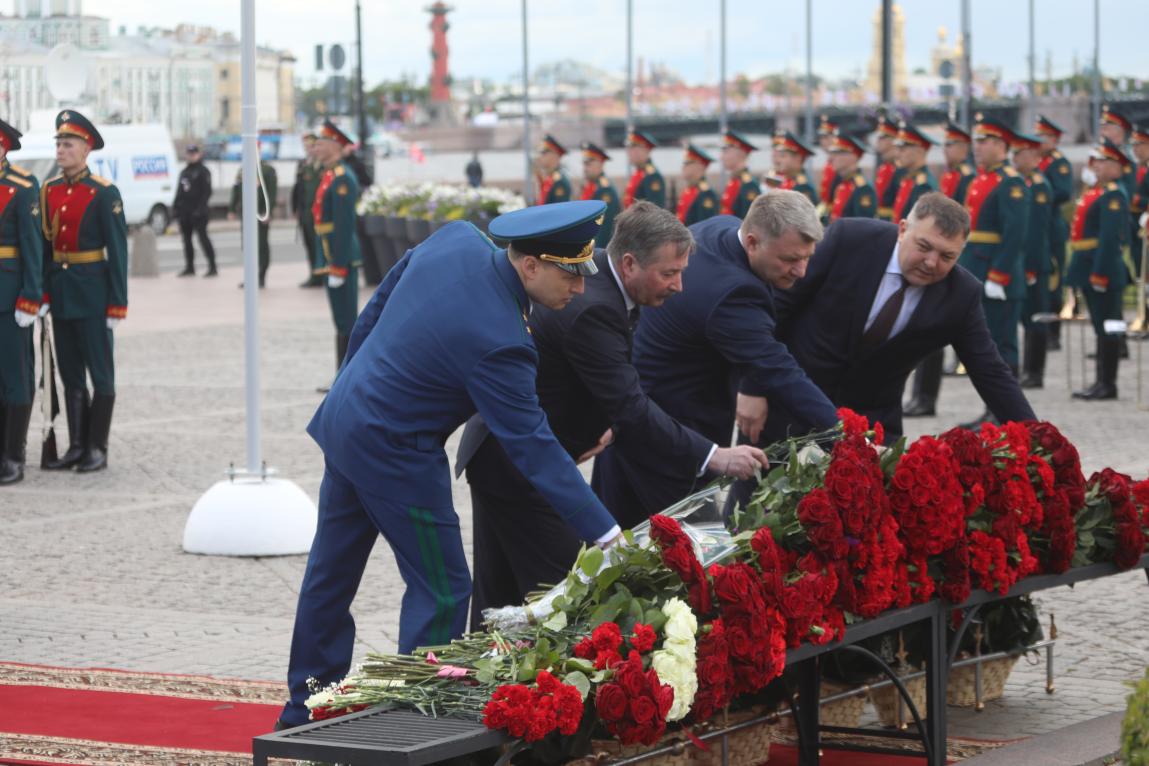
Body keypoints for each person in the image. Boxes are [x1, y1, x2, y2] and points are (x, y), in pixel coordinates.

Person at [277, 200, 623, 730]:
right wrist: (603, 530)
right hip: (396, 451)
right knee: (443, 587)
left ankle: (305, 705)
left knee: (331, 572)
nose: (579, 288)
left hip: (348, 420)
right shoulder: (501, 340)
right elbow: (532, 443)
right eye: (569, 274)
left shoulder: (457, 239)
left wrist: (355, 380)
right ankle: (414, 724)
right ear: (530, 265)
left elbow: (373, 310)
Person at [456, 202, 769, 625]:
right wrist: (715, 455)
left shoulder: (603, 277)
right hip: (519, 467)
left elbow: (610, 390)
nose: (679, 286)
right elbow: (632, 409)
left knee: (502, 599)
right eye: (669, 273)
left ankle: (482, 680)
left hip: (505, 456)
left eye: (681, 271)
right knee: (568, 602)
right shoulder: (596, 306)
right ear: (629, 263)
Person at [591, 191, 839, 521]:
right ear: (753, 242)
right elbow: (779, 371)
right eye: (791, 259)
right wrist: (845, 436)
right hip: (672, 437)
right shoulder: (733, 293)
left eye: (807, 257)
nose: (801, 271)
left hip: (633, 416)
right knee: (688, 556)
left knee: (611, 542)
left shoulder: (722, 227)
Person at [768, 192, 1035, 443]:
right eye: (924, 246)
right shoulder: (849, 239)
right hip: (791, 403)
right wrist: (755, 387)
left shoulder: (961, 295)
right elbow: (780, 308)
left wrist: (1040, 440)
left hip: (871, 425)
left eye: (947, 256)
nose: (931, 262)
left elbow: (990, 371)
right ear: (903, 229)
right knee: (753, 491)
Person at [40, 109, 128, 473]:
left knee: (101, 374)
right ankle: (77, 445)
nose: (61, 149)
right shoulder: (50, 190)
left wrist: (117, 303)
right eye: (59, 143)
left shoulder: (104, 193)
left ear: (86, 148)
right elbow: (45, 249)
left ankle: (98, 447)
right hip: (61, 294)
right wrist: (43, 294)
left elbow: (119, 252)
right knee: (71, 373)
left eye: (68, 143)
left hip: (93, 294)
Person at [956, 114, 1029, 427]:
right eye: (977, 141)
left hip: (998, 274)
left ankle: (1006, 414)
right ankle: (992, 411)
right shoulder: (981, 179)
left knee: (1001, 344)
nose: (977, 147)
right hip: (978, 269)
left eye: (984, 142)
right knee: (988, 347)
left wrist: (999, 274)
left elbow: (1015, 233)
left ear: (1001, 145)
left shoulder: (1011, 182)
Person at [904, 121, 976, 417]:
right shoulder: (919, 179)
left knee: (929, 329)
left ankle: (926, 396)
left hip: (936, 255)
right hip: (916, 254)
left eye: (905, 146)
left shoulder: (926, 184)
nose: (900, 152)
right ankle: (920, 395)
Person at [1066, 138, 1132, 401]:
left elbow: (1109, 238)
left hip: (1103, 268)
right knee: (1100, 327)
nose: (1099, 165)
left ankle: (1108, 383)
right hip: (1088, 264)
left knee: (1109, 326)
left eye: (1105, 161)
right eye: (1098, 160)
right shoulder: (1098, 192)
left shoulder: (1114, 195)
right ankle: (1101, 381)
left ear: (1117, 166)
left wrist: (1100, 272)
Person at [0, 119, 42, 485]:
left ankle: (14, 454)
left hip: (9, 296)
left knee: (15, 376)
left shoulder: (22, 187)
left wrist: (31, 297)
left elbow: (33, 247)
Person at [311, 120, 362, 376]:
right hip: (332, 255)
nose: (315, 149)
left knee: (347, 322)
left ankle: (347, 377)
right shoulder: (330, 175)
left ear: (334, 145)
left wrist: (339, 265)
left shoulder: (343, 179)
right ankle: (341, 376)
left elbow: (343, 225)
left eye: (320, 144)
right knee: (341, 321)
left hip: (340, 258)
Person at [1011, 132, 1055, 389]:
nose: (1015, 158)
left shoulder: (1039, 185)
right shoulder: (1023, 183)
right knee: (1027, 318)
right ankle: (1027, 370)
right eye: (1014, 153)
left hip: (1035, 262)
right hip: (1025, 260)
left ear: (1035, 157)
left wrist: (1029, 266)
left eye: (1021, 153)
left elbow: (1037, 231)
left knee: (1036, 318)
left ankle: (1035, 371)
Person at [1034, 115, 1074, 350]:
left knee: (1053, 280)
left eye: (1043, 137)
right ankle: (1043, 327)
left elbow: (1063, 192)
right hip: (1039, 226)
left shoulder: (1059, 163)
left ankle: (1054, 333)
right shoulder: (1039, 162)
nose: (1039, 141)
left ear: (1054, 140)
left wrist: (1041, 193)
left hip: (1052, 227)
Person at [229, 145, 277, 288]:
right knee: (247, 245)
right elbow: (236, 190)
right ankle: (250, 276)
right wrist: (232, 208)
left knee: (261, 245)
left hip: (260, 214)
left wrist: (267, 211)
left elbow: (272, 193)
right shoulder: (242, 170)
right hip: (246, 214)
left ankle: (261, 276)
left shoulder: (267, 170)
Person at [173, 144, 217, 278]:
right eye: (189, 154)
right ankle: (190, 267)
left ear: (199, 154)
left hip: (199, 213)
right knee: (186, 241)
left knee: (203, 238)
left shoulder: (203, 171)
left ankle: (212, 266)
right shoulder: (184, 172)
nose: (191, 156)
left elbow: (207, 192)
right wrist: (176, 207)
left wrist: (200, 209)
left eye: (194, 154)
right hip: (185, 212)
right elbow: (180, 191)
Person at [291, 133, 324, 287]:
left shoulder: (322, 165)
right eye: (306, 147)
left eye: (311, 146)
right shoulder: (303, 165)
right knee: (309, 244)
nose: (308, 150)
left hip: (318, 212)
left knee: (320, 244)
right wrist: (295, 207)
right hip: (305, 212)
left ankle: (321, 274)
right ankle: (313, 273)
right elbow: (298, 188)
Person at [825, 131, 877, 223]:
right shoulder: (842, 184)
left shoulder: (863, 188)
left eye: (837, 153)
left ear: (853, 156)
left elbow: (862, 226)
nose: (831, 158)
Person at [890, 122, 937, 224]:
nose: (897, 154)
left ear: (919, 150)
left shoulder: (923, 185)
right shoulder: (909, 179)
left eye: (902, 149)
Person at [579, 142, 620, 247]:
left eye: (589, 164)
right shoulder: (591, 186)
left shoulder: (605, 189)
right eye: (584, 164)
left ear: (601, 163)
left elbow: (603, 228)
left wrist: (595, 252)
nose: (585, 168)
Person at [719, 130, 761, 218]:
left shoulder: (748, 185)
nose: (721, 157)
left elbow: (748, 221)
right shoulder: (734, 181)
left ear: (740, 153)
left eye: (726, 152)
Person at [772, 129, 819, 205]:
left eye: (783, 156)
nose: (779, 161)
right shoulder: (787, 180)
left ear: (798, 159)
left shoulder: (803, 187)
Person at [676, 143, 719, 225]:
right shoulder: (689, 190)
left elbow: (704, 226)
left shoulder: (706, 194)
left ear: (700, 166)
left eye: (687, 163)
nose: (683, 167)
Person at [623, 130, 665, 209]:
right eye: (629, 148)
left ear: (645, 149)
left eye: (633, 148)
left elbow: (654, 212)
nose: (629, 152)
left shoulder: (652, 176)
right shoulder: (639, 173)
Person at [874, 114, 903, 222]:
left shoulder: (899, 168)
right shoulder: (885, 166)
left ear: (894, 139)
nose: (878, 141)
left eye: (882, 137)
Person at [534, 134, 571, 205]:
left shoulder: (559, 181)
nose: (540, 157)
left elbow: (559, 212)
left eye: (544, 153)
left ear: (555, 155)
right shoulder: (550, 179)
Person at [816, 115, 840, 208]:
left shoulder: (839, 164)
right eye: (821, 138)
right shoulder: (829, 163)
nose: (822, 141)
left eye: (826, 137)